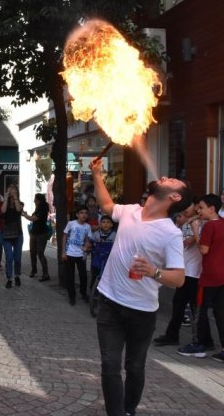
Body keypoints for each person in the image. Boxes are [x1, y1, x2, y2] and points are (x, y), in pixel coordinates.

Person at [90, 158, 191, 416]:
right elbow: (106, 205)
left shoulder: (171, 233)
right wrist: (97, 174)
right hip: (109, 302)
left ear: (175, 196)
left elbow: (178, 279)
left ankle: (129, 409)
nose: (165, 177)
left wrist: (154, 272)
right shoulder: (131, 211)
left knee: (134, 367)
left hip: (142, 311)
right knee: (110, 365)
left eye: (172, 181)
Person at [178, 194, 224, 365]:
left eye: (201, 207)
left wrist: (196, 230)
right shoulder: (223, 223)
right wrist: (198, 217)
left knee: (200, 311)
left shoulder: (210, 227)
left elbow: (203, 249)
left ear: (211, 208)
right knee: (221, 313)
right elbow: (206, 218)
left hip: (210, 276)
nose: (198, 210)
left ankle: (198, 345)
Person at [154, 200, 203, 349]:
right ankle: (172, 335)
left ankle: (199, 340)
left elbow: (187, 242)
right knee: (178, 304)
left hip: (194, 273)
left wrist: (189, 226)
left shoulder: (198, 224)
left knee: (194, 308)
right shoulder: (184, 225)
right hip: (185, 270)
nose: (179, 217)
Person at [61, 205, 92, 305]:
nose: (84, 215)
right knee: (70, 276)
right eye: (82, 213)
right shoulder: (71, 224)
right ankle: (72, 296)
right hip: (69, 253)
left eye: (86, 213)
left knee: (83, 276)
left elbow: (87, 239)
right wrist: (63, 252)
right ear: (77, 214)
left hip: (80, 254)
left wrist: (86, 248)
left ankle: (83, 293)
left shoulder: (87, 226)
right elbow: (64, 237)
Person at [88, 215, 116, 318]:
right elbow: (89, 243)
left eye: (108, 222)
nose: (106, 224)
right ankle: (92, 295)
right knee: (94, 277)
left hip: (109, 261)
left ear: (112, 225)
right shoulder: (96, 234)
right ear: (100, 224)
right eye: (103, 222)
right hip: (97, 260)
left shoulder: (114, 235)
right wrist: (86, 248)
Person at [0, 184, 23, 288]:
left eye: (14, 189)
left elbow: (18, 210)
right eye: (10, 189)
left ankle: (17, 275)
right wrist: (5, 199)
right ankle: (9, 278)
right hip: (6, 234)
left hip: (18, 233)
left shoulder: (20, 203)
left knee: (17, 258)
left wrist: (15, 198)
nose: (12, 191)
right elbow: (3, 211)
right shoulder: (4, 203)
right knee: (9, 257)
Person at [23, 193, 50, 281]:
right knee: (32, 252)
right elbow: (33, 218)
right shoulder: (38, 208)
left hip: (41, 234)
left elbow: (34, 218)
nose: (34, 201)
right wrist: (26, 214)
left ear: (39, 200)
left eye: (35, 199)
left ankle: (45, 274)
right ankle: (34, 270)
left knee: (40, 253)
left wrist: (25, 215)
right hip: (34, 233)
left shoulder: (43, 208)